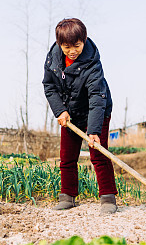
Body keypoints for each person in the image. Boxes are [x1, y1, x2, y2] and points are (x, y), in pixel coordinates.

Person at [42, 18, 118, 214]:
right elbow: (49, 86)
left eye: (77, 45)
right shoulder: (53, 59)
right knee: (67, 157)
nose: (72, 51)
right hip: (69, 113)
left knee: (99, 155)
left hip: (96, 111)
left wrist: (93, 130)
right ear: (60, 44)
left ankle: (108, 198)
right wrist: (60, 110)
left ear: (84, 40)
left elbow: (96, 97)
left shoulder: (92, 63)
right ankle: (67, 196)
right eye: (67, 47)